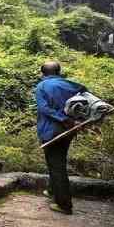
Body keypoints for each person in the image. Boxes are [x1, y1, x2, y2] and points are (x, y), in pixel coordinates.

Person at [35, 61, 87, 215]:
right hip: (70, 129)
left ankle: (64, 204)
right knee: (58, 160)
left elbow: (44, 108)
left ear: (42, 73)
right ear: (59, 72)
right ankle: (52, 190)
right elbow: (86, 96)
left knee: (56, 165)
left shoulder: (41, 86)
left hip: (51, 130)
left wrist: (61, 118)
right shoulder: (71, 84)